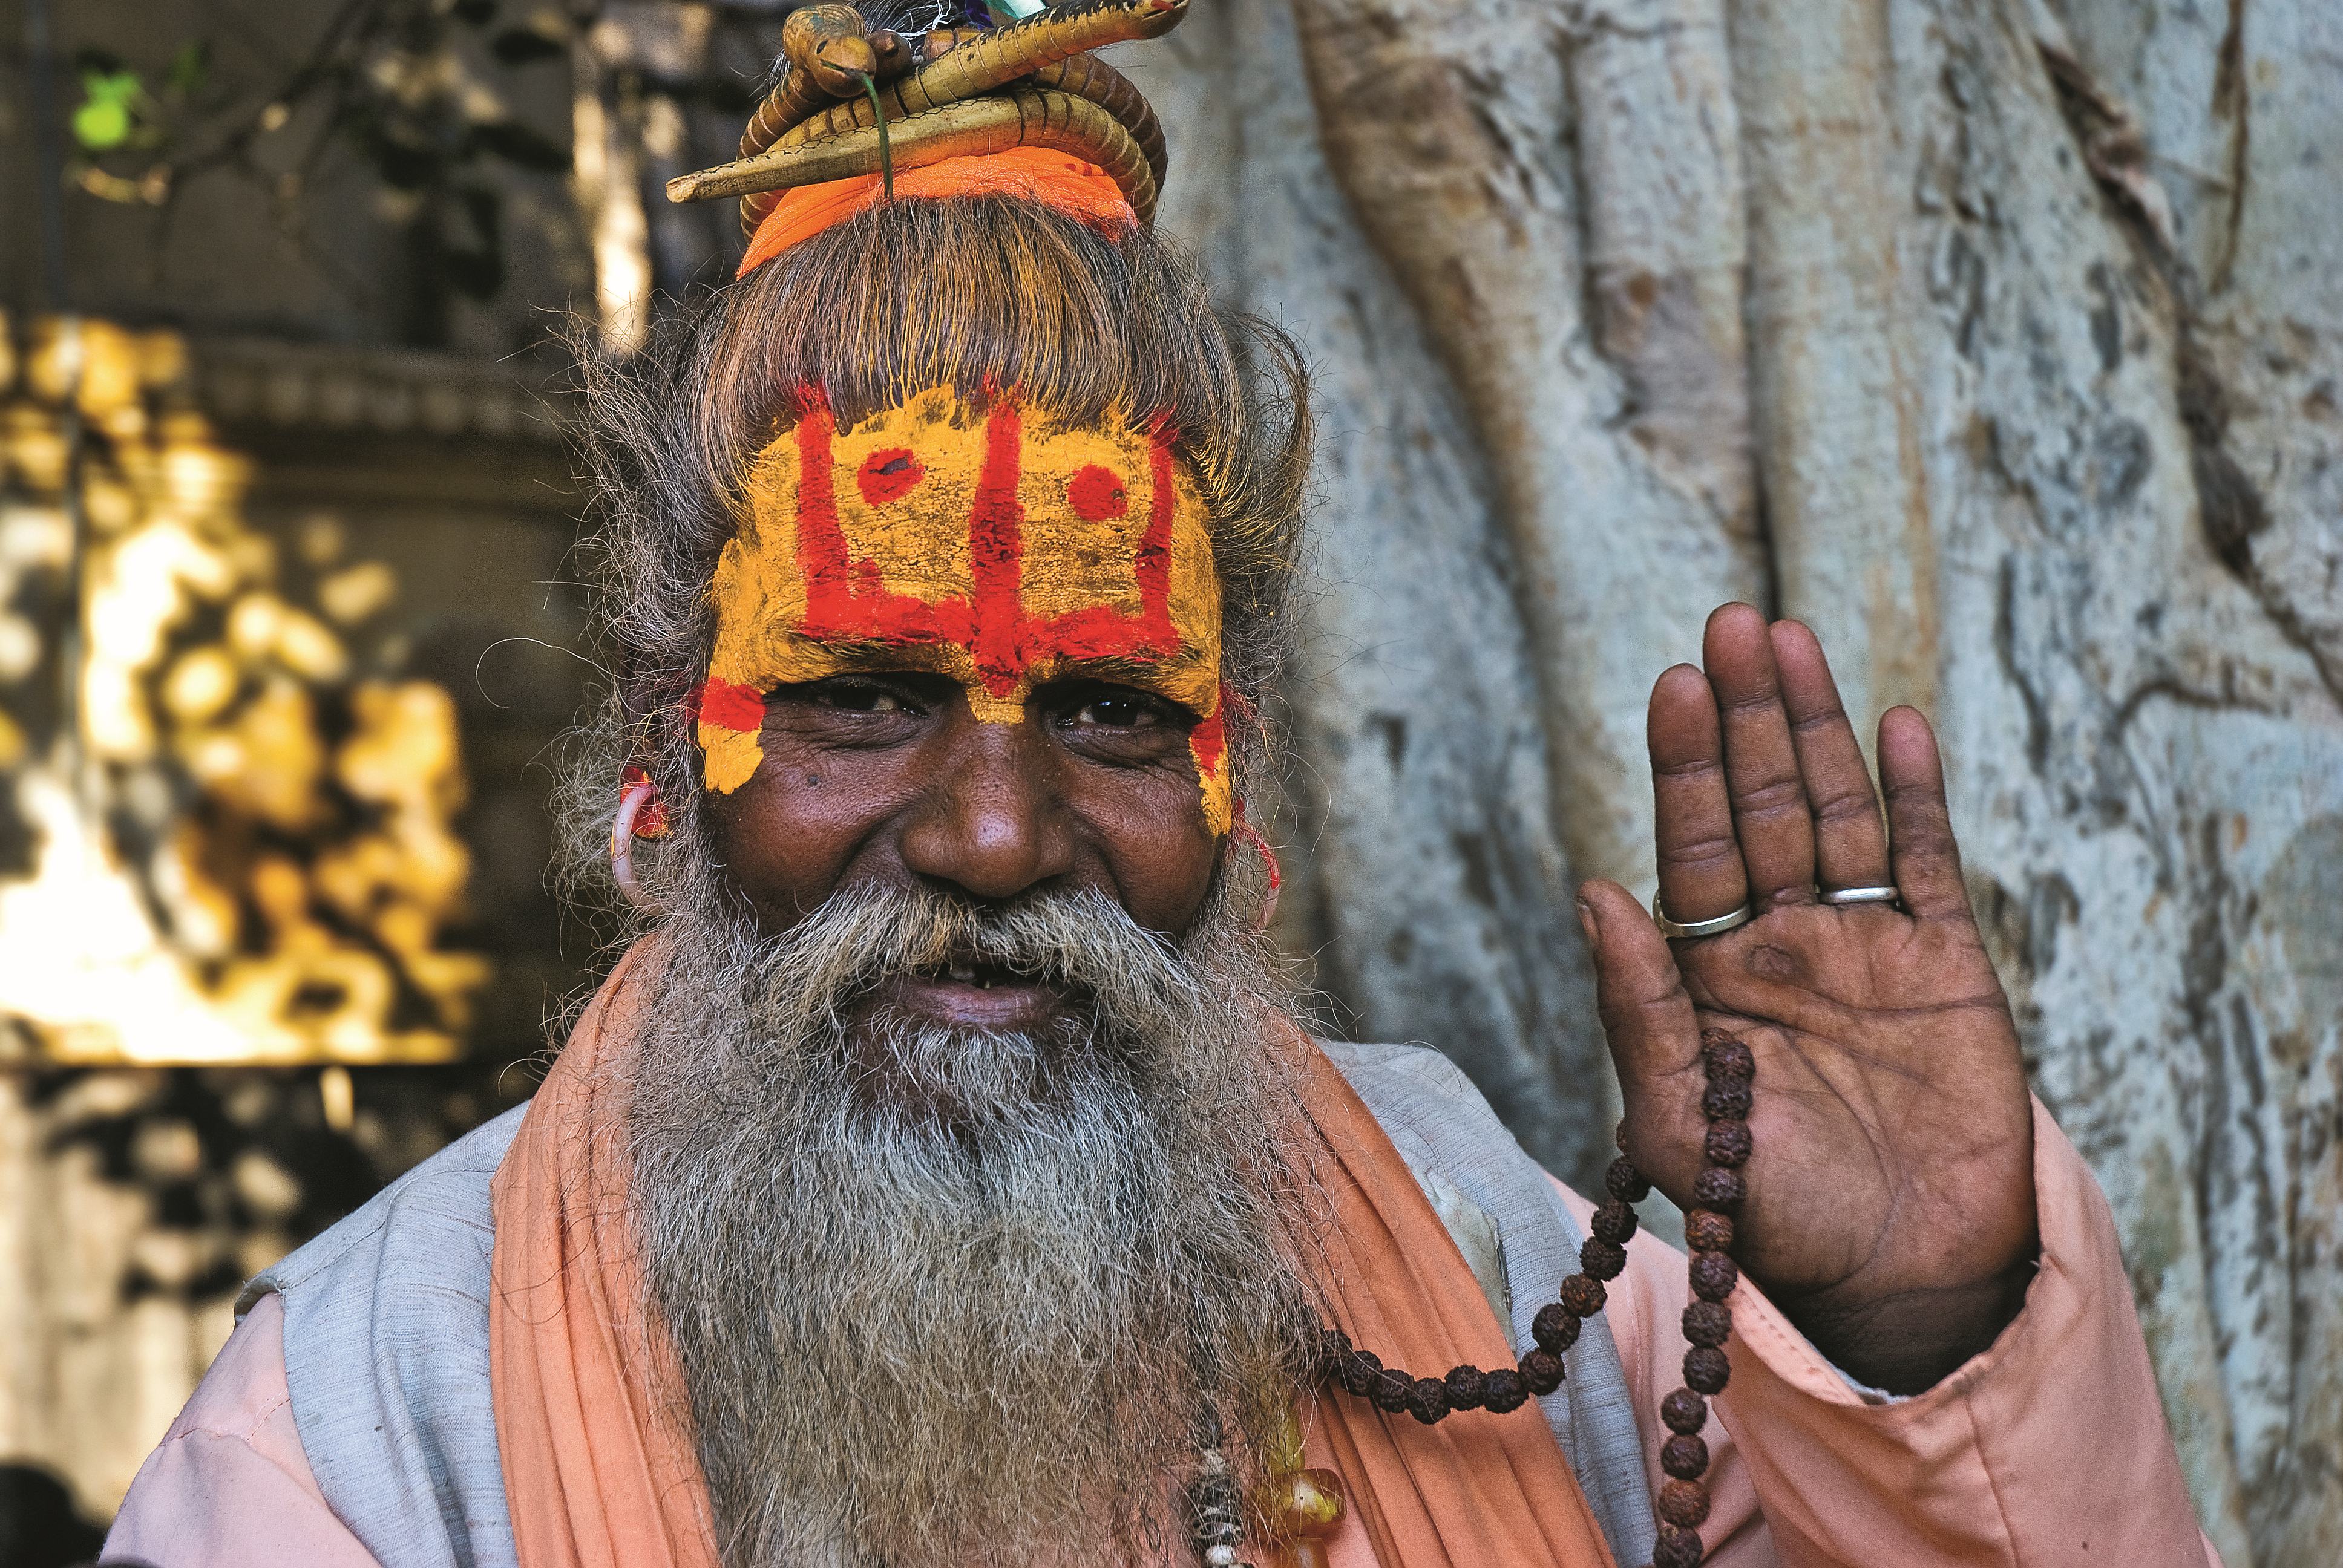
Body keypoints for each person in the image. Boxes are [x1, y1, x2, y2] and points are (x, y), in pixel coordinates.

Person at [106, 5, 2215, 1566]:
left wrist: (1927, 1317)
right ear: (672, 746)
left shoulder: (1475, 1244)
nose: (1000, 840)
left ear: (1241, 771)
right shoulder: (361, 1433)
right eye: (861, 700)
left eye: (1116, 712)